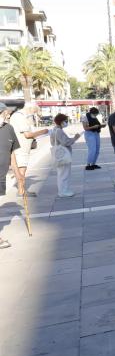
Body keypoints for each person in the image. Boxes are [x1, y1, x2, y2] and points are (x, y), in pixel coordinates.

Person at [9, 102, 48, 196]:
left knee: (22, 170)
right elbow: (27, 135)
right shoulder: (20, 117)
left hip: (22, 148)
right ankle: (21, 191)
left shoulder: (20, 116)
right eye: (33, 112)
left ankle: (22, 190)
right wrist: (44, 131)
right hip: (21, 149)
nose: (33, 114)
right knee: (21, 171)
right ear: (30, 109)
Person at [0, 103, 23, 249]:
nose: (8, 115)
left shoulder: (8, 129)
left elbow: (12, 153)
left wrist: (17, 172)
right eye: (5, 113)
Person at [49, 114, 81, 198]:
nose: (66, 123)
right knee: (64, 174)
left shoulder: (54, 130)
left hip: (59, 155)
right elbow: (66, 142)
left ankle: (63, 190)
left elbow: (53, 143)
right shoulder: (59, 131)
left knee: (61, 173)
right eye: (66, 121)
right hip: (63, 155)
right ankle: (63, 191)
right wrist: (75, 138)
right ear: (61, 121)